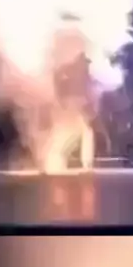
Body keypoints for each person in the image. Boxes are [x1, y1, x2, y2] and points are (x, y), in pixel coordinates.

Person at [43, 14, 96, 173]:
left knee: (80, 130)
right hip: (71, 100)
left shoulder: (67, 50)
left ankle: (74, 162)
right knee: (78, 130)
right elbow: (59, 76)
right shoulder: (67, 53)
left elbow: (83, 79)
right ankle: (60, 160)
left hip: (72, 99)